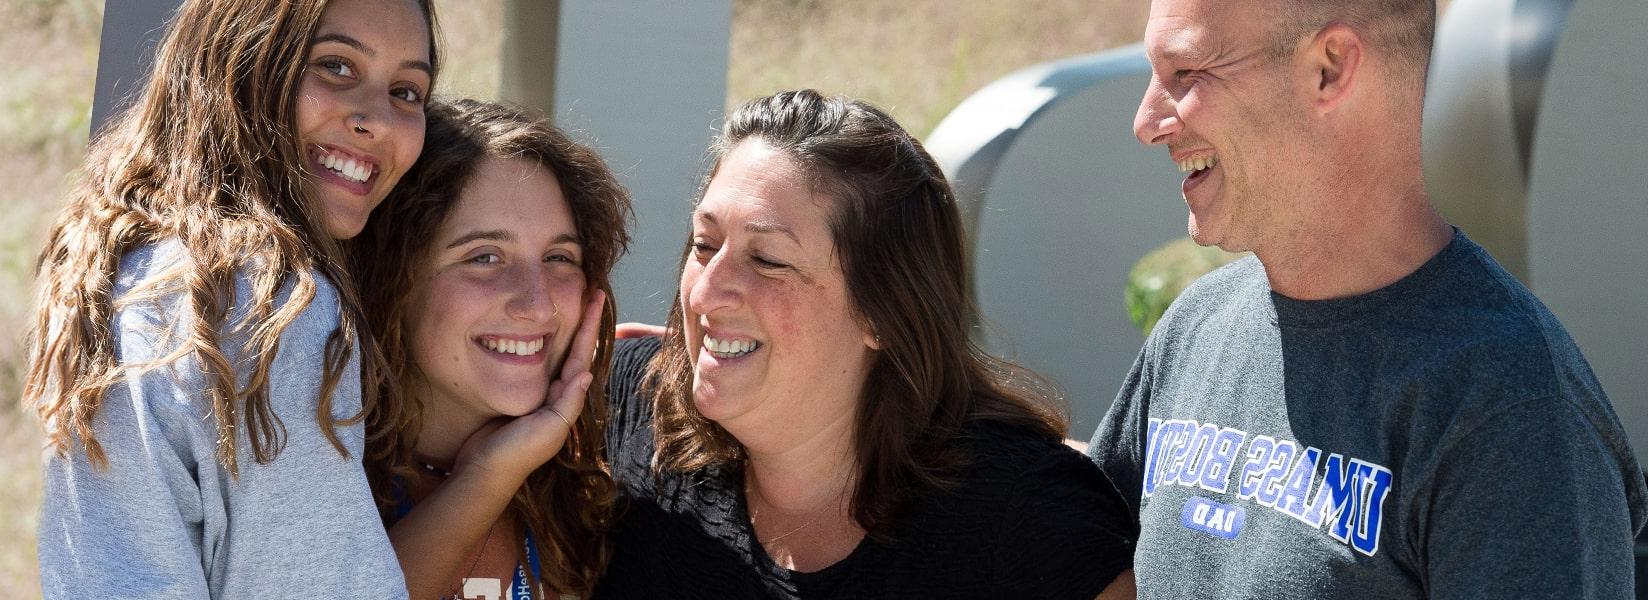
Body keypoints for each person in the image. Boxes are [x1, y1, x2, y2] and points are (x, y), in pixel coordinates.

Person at [1086, 0, 1648, 597]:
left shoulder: (1513, 408)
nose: (1147, 122)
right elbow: (1069, 546)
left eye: (1187, 73)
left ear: (1329, 69)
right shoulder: (1198, 326)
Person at [595, 89, 1137, 599]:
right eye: (705, 244)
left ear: (883, 311)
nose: (706, 292)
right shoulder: (626, 405)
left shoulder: (1028, 517)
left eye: (769, 261)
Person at [25, 0, 438, 597]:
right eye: (336, 67)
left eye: (407, 91)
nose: (377, 119)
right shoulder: (272, 303)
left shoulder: (122, 265)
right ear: (239, 64)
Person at [351, 98, 631, 600]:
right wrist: (486, 476)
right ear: (394, 276)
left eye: (559, 257)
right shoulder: (319, 476)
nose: (537, 302)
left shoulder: (592, 493)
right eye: (484, 257)